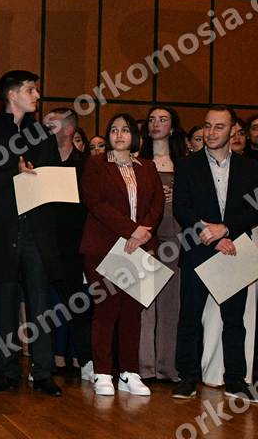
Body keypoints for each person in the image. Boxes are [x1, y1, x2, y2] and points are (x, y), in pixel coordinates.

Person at [0, 70, 64, 397]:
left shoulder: (42, 135)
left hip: (36, 231)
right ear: (12, 95)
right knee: (3, 305)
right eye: (31, 90)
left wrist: (36, 176)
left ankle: (43, 373)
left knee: (41, 305)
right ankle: (6, 371)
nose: (37, 96)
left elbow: (55, 180)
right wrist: (13, 173)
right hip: (2, 230)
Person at [172, 106, 258, 402]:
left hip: (234, 249)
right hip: (199, 248)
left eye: (219, 127)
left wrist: (226, 230)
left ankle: (236, 380)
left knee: (234, 320)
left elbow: (254, 208)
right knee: (190, 316)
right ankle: (186, 378)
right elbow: (181, 207)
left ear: (233, 130)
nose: (211, 132)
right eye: (207, 126)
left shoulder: (250, 167)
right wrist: (210, 236)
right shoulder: (187, 165)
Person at [80, 113, 164, 396]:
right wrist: (131, 230)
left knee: (132, 312)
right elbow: (95, 203)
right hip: (104, 247)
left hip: (139, 247)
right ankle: (103, 372)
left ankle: (129, 372)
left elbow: (157, 204)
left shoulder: (148, 167)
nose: (119, 135)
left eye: (125, 130)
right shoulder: (96, 164)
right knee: (106, 309)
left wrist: (144, 232)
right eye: (114, 130)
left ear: (134, 136)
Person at [138, 106, 188, 381]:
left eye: (163, 119)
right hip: (146, 236)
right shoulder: (137, 161)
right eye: (152, 120)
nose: (156, 124)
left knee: (171, 304)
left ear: (173, 126)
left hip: (175, 235)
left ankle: (168, 367)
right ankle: (143, 366)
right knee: (144, 303)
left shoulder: (185, 163)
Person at [44, 108, 93, 380]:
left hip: (73, 246)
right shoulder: (38, 160)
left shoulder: (87, 165)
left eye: (50, 126)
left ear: (68, 130)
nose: (44, 131)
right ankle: (43, 364)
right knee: (41, 306)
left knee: (76, 305)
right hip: (42, 243)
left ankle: (86, 360)